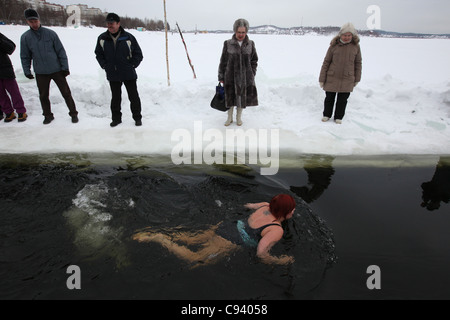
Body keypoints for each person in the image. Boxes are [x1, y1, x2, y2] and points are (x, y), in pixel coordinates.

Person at [132, 194, 296, 267]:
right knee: (195, 260)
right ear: (286, 212)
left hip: (226, 225)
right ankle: (160, 238)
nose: (293, 212)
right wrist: (280, 261)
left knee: (191, 239)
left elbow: (246, 206)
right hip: (230, 239)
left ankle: (158, 233)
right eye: (292, 210)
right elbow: (261, 253)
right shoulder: (276, 230)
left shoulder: (263, 205)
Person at [20, 9, 78, 125]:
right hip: (41, 72)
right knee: (43, 95)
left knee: (66, 93)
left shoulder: (50, 34)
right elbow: (25, 56)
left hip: (56, 70)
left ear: (39, 20)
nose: (34, 24)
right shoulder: (26, 37)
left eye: (35, 21)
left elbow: (61, 51)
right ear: (27, 22)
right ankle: (47, 115)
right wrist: (27, 70)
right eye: (31, 21)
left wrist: (65, 67)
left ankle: (73, 113)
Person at [95, 13, 144, 127]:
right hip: (112, 73)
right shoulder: (102, 38)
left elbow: (138, 54)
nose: (109, 26)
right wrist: (104, 65)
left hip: (128, 72)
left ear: (118, 24)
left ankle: (137, 118)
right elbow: (98, 54)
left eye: (112, 23)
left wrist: (131, 65)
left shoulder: (128, 37)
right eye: (108, 23)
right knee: (115, 98)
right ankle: (116, 119)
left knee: (133, 97)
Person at [319, 22, 362, 124]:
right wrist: (322, 78)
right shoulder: (334, 46)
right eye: (345, 35)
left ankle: (339, 117)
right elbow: (326, 62)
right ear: (340, 35)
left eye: (349, 35)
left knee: (342, 100)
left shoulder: (356, 47)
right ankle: (327, 115)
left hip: (347, 78)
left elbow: (358, 63)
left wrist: (357, 78)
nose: (347, 37)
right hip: (332, 76)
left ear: (352, 35)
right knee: (329, 98)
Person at [218, 19, 258, 126]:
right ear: (235, 31)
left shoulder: (250, 44)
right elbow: (223, 61)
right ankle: (229, 118)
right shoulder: (227, 44)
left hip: (245, 77)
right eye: (239, 32)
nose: (241, 34)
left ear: (246, 32)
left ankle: (238, 118)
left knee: (241, 97)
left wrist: (252, 72)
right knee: (230, 97)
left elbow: (254, 60)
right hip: (230, 76)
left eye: (243, 32)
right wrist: (221, 75)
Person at [0, 32, 27, 122]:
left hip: (5, 69)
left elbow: (11, 48)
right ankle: (8, 112)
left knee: (14, 91)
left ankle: (20, 111)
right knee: (1, 95)